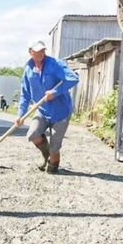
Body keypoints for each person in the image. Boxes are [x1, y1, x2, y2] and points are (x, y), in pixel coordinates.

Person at [16, 40, 79, 174]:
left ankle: (53, 163)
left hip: (61, 111)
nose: (41, 53)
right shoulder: (28, 69)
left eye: (43, 51)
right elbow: (25, 94)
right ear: (30, 52)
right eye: (37, 51)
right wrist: (20, 115)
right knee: (33, 134)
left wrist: (55, 92)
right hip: (42, 111)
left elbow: (73, 78)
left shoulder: (55, 64)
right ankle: (46, 155)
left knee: (55, 146)